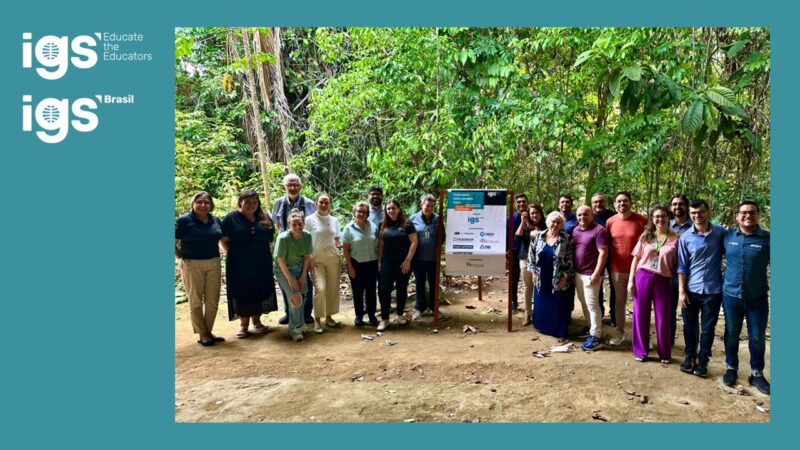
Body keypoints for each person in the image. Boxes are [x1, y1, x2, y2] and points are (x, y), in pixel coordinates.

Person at [722, 201, 770, 394]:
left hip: (756, 297)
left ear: (757, 215)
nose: (747, 216)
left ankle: (757, 373)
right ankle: (731, 367)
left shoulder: (768, 239)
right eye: (743, 213)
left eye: (751, 213)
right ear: (737, 216)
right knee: (732, 333)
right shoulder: (728, 236)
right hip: (731, 295)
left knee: (757, 336)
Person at [677, 199, 725, 377]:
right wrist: (681, 291)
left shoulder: (720, 233)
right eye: (693, 213)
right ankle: (690, 357)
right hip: (691, 289)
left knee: (708, 328)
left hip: (713, 291)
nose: (697, 216)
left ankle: (703, 360)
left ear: (708, 212)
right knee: (689, 326)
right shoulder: (686, 237)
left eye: (701, 212)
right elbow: (682, 266)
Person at [221, 190, 277, 339]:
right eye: (248, 202)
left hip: (261, 261)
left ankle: (257, 322)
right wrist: (234, 255)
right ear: (240, 203)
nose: (251, 205)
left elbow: (270, 238)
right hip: (239, 263)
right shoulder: (231, 218)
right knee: (242, 292)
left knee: (258, 289)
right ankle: (243, 325)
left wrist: (268, 226)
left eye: (254, 202)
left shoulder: (263, 217)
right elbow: (223, 239)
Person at [627, 205, 679, 363]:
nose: (660, 219)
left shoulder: (676, 238)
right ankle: (641, 351)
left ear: (668, 217)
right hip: (643, 276)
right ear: (652, 219)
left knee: (663, 317)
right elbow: (636, 258)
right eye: (656, 216)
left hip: (663, 279)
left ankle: (664, 353)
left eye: (663, 216)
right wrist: (631, 281)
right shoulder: (646, 236)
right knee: (640, 314)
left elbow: (678, 263)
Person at [175, 192, 224, 347]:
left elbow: (222, 239)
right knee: (195, 300)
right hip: (191, 263)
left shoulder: (215, 220)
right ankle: (202, 333)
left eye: (206, 203)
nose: (203, 205)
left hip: (213, 262)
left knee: (212, 300)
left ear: (211, 205)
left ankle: (208, 330)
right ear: (193, 203)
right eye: (200, 202)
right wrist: (180, 257)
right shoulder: (184, 221)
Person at [271, 174, 316, 325]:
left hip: (303, 248)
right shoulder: (278, 203)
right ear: (285, 186)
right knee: (288, 285)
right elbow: (277, 225)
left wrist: (310, 257)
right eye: (289, 185)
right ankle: (289, 313)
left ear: (300, 186)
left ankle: (306, 313)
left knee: (305, 284)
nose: (293, 187)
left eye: (295, 184)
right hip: (286, 248)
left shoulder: (309, 204)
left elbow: (312, 227)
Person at [605, 191, 648, 346]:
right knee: (619, 301)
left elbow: (649, 244)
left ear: (631, 203)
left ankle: (642, 336)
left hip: (639, 269)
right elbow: (608, 245)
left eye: (625, 201)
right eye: (619, 202)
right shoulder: (610, 221)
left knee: (640, 302)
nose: (622, 204)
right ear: (615, 205)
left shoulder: (642, 220)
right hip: (617, 268)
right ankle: (620, 332)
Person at [527, 211, 575, 340]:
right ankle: (542, 326)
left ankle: (557, 329)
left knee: (558, 303)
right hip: (541, 276)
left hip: (558, 276)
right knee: (542, 302)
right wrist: (533, 273)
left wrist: (565, 277)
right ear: (548, 222)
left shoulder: (566, 238)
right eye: (553, 221)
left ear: (562, 224)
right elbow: (531, 256)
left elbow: (570, 259)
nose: (555, 224)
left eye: (558, 222)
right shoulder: (539, 236)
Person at [572, 206, 610, 351]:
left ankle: (596, 336)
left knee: (592, 304)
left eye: (585, 215)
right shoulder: (576, 230)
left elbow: (603, 253)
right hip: (578, 273)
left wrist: (596, 273)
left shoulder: (599, 230)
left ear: (592, 215)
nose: (582, 217)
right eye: (579, 215)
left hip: (591, 274)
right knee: (583, 302)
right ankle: (590, 327)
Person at [377, 199, 418, 331]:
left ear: (398, 209)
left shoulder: (407, 224)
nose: (391, 211)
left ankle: (400, 315)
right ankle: (385, 319)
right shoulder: (382, 225)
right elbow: (381, 244)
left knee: (401, 288)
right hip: (387, 261)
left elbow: (414, 242)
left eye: (393, 208)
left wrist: (408, 260)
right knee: (384, 289)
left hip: (403, 262)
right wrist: (379, 260)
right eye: (388, 209)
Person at [304, 193, 342, 333]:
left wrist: (339, 250)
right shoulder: (309, 220)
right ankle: (317, 320)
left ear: (330, 204)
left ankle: (329, 317)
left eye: (327, 202)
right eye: (321, 202)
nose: (324, 205)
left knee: (332, 288)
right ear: (316, 203)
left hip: (332, 255)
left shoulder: (334, 220)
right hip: (316, 258)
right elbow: (305, 240)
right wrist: (308, 258)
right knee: (320, 288)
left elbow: (337, 238)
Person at [274, 209, 313, 342]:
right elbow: (280, 260)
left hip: (300, 267)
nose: (297, 227)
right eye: (294, 224)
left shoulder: (307, 236)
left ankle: (301, 324)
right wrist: (290, 279)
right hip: (283, 269)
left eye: (300, 223)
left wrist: (303, 275)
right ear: (289, 224)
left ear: (303, 223)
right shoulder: (283, 238)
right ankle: (294, 329)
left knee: (302, 295)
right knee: (295, 297)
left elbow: (307, 256)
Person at [342, 202, 380, 327]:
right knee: (357, 291)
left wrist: (379, 261)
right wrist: (350, 267)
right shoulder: (349, 228)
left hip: (372, 264)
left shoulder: (373, 226)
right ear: (354, 212)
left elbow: (378, 245)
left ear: (367, 214)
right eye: (359, 211)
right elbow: (346, 250)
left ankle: (371, 315)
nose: (361, 214)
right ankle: (359, 316)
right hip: (356, 264)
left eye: (364, 212)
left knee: (371, 291)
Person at [410, 194, 442, 320]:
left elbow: (442, 237)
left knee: (434, 284)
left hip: (434, 258)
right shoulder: (413, 219)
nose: (429, 208)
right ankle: (419, 308)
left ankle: (434, 309)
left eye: (432, 206)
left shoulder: (438, 219)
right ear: (421, 204)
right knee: (419, 283)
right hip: (418, 259)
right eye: (427, 205)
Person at [668, 194, 692, 345]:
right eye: (674, 204)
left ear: (687, 206)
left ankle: (690, 347)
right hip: (668, 274)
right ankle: (668, 342)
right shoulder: (666, 224)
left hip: (690, 276)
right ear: (671, 207)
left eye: (681, 204)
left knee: (688, 312)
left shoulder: (695, 225)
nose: (678, 207)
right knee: (667, 310)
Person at [517, 203, 546, 326]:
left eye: (536, 212)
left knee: (540, 287)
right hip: (525, 259)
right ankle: (527, 314)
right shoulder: (525, 226)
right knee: (527, 287)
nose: (534, 215)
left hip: (542, 260)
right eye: (532, 213)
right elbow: (517, 236)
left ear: (540, 213)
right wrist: (523, 221)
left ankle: (540, 313)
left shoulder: (546, 226)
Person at [590, 192, 616, 321]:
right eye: (595, 202)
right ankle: (599, 314)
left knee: (615, 285)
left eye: (601, 201)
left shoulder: (614, 216)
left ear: (605, 202)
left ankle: (614, 316)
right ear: (592, 204)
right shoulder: (589, 216)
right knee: (596, 285)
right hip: (595, 257)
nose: (598, 204)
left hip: (613, 256)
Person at [508, 194, 529, 314]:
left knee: (530, 280)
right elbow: (507, 237)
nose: (521, 204)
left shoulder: (533, 216)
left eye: (524, 202)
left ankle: (532, 305)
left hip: (530, 254)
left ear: (527, 203)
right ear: (515, 204)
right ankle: (513, 301)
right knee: (513, 279)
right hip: (515, 253)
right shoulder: (509, 219)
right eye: (519, 202)